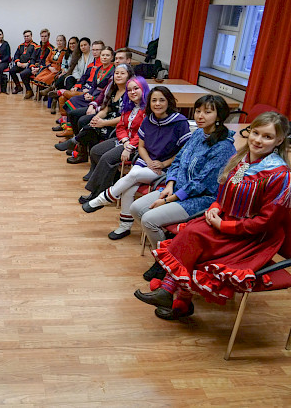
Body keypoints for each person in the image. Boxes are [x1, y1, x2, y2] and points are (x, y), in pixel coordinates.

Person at [134, 112, 291, 320]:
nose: (258, 140)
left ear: (279, 141)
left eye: (267, 137)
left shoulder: (279, 174)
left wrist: (223, 226)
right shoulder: (240, 159)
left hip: (251, 235)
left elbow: (266, 222)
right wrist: (217, 206)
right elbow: (223, 194)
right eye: (255, 133)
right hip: (226, 220)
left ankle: (176, 295)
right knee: (191, 232)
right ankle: (171, 293)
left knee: (197, 240)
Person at [131, 95, 237, 282]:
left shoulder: (223, 147)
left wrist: (167, 200)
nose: (200, 116)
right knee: (136, 208)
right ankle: (169, 251)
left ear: (219, 116)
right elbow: (178, 160)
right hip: (177, 188)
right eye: (198, 111)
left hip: (200, 198)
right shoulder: (198, 134)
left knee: (149, 219)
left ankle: (164, 261)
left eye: (207, 112)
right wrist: (170, 183)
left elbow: (202, 183)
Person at [82, 86, 191, 240]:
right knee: (129, 188)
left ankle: (104, 199)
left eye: (162, 100)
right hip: (146, 162)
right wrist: (148, 161)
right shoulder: (148, 119)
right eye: (154, 100)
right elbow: (141, 146)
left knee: (133, 175)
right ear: (149, 102)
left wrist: (163, 164)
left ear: (169, 102)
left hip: (166, 168)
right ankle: (124, 226)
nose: (157, 104)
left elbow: (185, 153)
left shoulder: (179, 122)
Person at [78, 76, 148, 204]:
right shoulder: (129, 106)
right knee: (95, 151)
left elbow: (143, 133)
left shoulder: (147, 110)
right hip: (125, 140)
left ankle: (98, 194)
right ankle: (113, 184)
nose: (132, 92)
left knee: (107, 158)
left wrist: (129, 146)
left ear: (143, 89)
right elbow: (120, 126)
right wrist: (125, 140)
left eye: (136, 89)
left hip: (138, 145)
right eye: (129, 90)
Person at [55, 64, 134, 165]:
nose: (118, 75)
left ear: (129, 76)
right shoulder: (114, 89)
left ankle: (76, 143)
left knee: (90, 128)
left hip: (120, 125)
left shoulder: (130, 93)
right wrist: (96, 118)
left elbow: (126, 118)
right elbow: (107, 108)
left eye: (122, 73)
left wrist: (103, 123)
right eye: (116, 73)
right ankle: (81, 150)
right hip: (109, 117)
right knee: (88, 122)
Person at [57, 47, 116, 141]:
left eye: (107, 55)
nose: (104, 57)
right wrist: (89, 94)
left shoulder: (113, 71)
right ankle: (69, 130)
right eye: (103, 55)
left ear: (112, 57)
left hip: (100, 98)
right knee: (71, 100)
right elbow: (93, 85)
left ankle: (73, 134)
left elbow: (107, 91)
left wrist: (93, 98)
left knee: (73, 103)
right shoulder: (98, 69)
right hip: (92, 93)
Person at [9, 29, 37, 97]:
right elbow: (16, 55)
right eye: (25, 36)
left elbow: (34, 57)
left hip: (29, 66)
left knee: (23, 74)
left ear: (31, 36)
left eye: (28, 36)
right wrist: (17, 62)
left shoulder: (35, 46)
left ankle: (29, 90)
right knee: (12, 70)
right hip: (20, 64)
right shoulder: (20, 46)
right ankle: (18, 86)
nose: (26, 38)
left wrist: (27, 64)